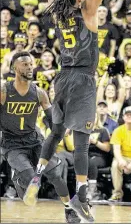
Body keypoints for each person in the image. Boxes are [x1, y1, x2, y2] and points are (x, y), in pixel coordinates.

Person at [24, 0, 109, 222]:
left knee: (57, 131)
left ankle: (38, 172)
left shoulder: (61, 12)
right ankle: (82, 195)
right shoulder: (88, 12)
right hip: (83, 79)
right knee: (82, 141)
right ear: (78, 0)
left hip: (62, 78)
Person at [0, 52, 80, 223]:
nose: (30, 67)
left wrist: (60, 129)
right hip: (12, 144)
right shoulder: (4, 91)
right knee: (30, 179)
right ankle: (18, 177)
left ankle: (69, 209)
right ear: (15, 67)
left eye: (31, 64)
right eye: (25, 64)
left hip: (35, 141)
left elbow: (52, 118)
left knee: (56, 175)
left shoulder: (39, 93)